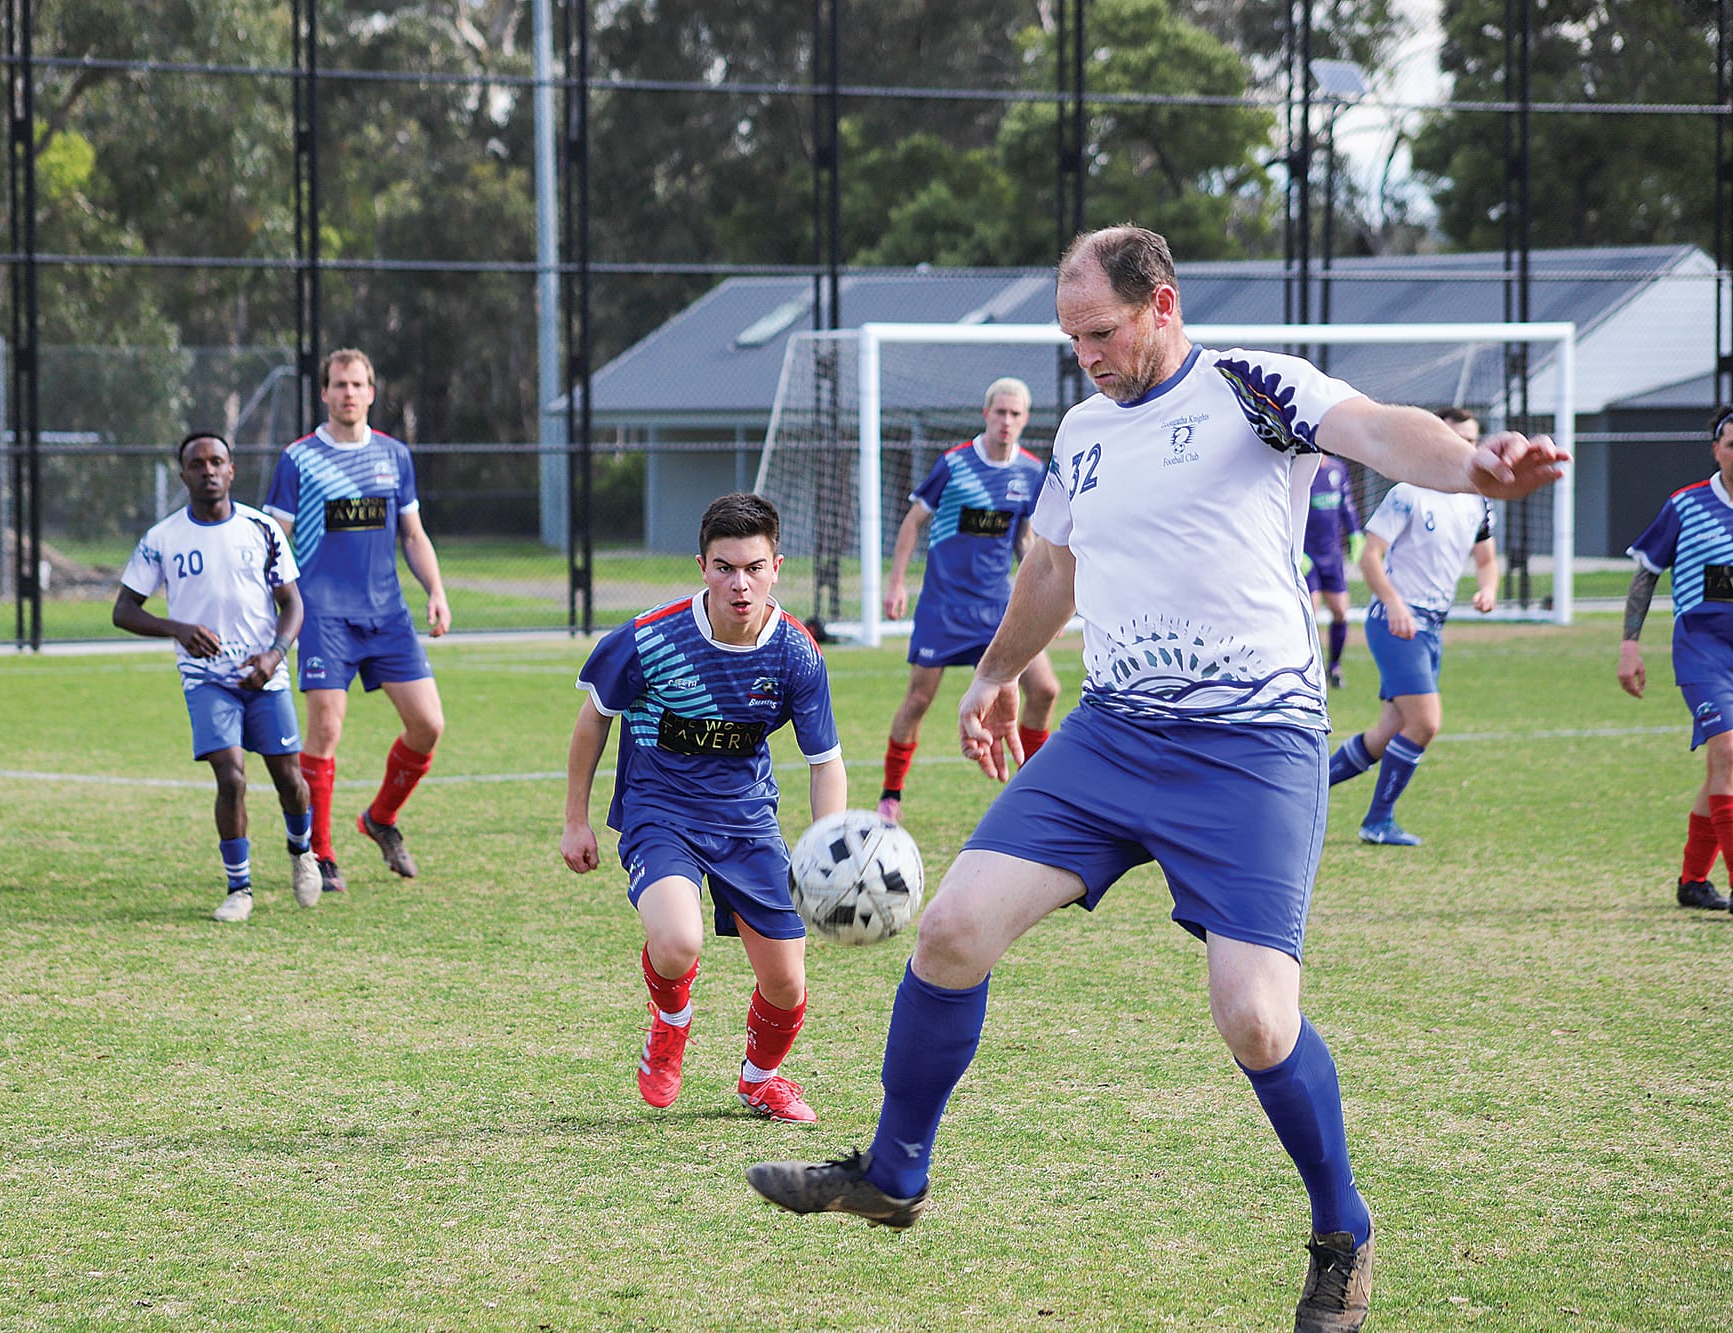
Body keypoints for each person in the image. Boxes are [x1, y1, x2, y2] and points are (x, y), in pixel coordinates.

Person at [743, 227, 1566, 1333]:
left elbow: (1375, 429)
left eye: (1100, 332)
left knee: (1253, 1018)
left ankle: (1341, 1233)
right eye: (1069, 337)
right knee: (947, 933)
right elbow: (1048, 569)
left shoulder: (1250, 388)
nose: (1082, 354)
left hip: (1251, 743)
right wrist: (991, 677)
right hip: (1113, 734)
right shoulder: (1081, 432)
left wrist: (1473, 467)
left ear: (1159, 304)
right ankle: (893, 1172)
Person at [561, 493, 848, 1123]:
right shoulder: (648, 639)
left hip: (746, 820)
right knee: (677, 942)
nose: (739, 584)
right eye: (724, 567)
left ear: (777, 566)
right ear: (702, 566)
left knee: (787, 984)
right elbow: (594, 721)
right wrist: (575, 818)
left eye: (753, 568)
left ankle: (761, 1080)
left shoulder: (797, 653)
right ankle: (670, 1021)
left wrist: (829, 847)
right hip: (658, 811)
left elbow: (824, 760)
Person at [263, 348, 450, 895]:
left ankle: (380, 819)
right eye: (339, 384)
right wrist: (274, 610)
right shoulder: (298, 459)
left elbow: (412, 535)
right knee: (325, 729)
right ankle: (320, 853)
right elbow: (274, 539)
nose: (349, 393)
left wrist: (435, 591)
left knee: (428, 725)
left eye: (358, 384)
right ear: (324, 393)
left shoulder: (394, 456)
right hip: (324, 616)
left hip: (387, 613)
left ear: (372, 392)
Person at [113, 431, 320, 922]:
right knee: (230, 776)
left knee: (290, 778)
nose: (208, 470)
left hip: (263, 675)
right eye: (197, 464)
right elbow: (124, 610)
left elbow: (292, 603)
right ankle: (240, 888)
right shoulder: (162, 538)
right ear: (183, 474)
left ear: (231, 470)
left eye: (217, 462)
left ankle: (302, 852)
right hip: (205, 678)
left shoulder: (262, 528)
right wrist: (177, 629)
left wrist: (274, 654)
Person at [877, 377, 1058, 824]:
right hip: (944, 606)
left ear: (1025, 420)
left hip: (999, 608)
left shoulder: (1032, 472)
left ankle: (1033, 789)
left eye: (1015, 414)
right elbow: (913, 521)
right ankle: (890, 795)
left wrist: (1038, 582)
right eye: (1000, 412)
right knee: (919, 699)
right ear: (986, 414)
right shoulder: (954, 464)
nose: (1007, 421)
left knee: (1046, 689)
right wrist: (896, 582)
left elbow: (1024, 539)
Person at [1326, 407, 1499, 847]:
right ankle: (1378, 820)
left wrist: (1488, 588)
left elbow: (1486, 559)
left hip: (1432, 626)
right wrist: (1394, 602)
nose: (1466, 447)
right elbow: (1369, 557)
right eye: (1456, 438)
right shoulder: (1408, 493)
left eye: (1472, 440)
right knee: (1425, 723)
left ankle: (1298, 797)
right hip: (1397, 623)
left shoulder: (1478, 498)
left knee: (1385, 734)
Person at [1616, 404, 1733, 912]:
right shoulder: (1686, 505)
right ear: (1717, 450)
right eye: (1732, 444)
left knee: (1718, 770)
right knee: (1729, 754)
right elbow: (1646, 574)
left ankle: (1692, 881)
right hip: (1702, 649)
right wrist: (1629, 645)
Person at [1303, 452, 1364, 688]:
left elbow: (1346, 505)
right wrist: (1294, 550)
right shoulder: (1298, 471)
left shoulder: (1337, 469)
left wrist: (1355, 533)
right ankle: (1311, 669)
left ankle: (1335, 667)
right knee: (1310, 613)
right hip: (1306, 556)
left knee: (1340, 611)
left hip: (1332, 556)